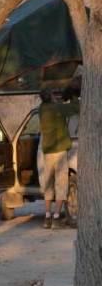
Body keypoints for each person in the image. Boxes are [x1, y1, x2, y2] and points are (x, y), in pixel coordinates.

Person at [38, 87, 79, 229]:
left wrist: (59, 100)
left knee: (48, 185)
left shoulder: (41, 109)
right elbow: (76, 108)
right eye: (54, 94)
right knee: (61, 185)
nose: (57, 96)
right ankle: (56, 218)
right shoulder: (59, 108)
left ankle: (47, 217)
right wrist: (72, 96)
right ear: (50, 97)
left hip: (47, 153)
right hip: (60, 152)